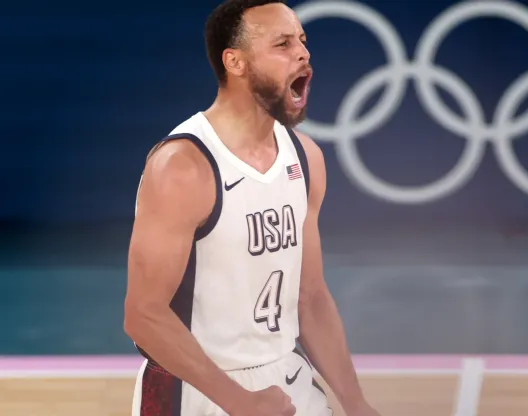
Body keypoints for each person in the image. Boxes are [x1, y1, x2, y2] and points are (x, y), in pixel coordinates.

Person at [123, 1, 380, 415]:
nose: (302, 52)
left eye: (302, 40)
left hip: (286, 377)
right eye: (282, 43)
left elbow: (310, 298)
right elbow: (143, 315)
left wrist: (355, 402)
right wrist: (238, 402)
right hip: (196, 389)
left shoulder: (305, 157)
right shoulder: (184, 166)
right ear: (235, 62)